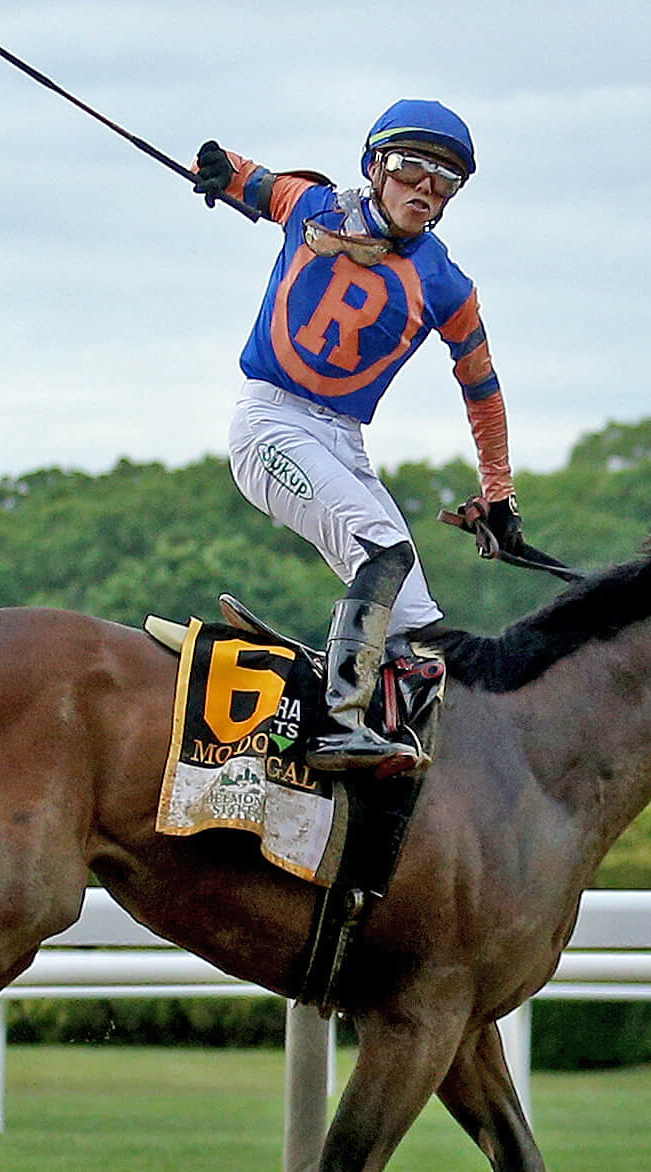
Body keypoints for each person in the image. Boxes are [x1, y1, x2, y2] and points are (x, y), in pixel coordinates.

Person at [193, 99, 534, 772]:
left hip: (342, 440)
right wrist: (214, 167)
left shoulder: (447, 284)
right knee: (381, 550)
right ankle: (334, 724)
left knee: (414, 618)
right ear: (374, 167)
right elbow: (245, 177)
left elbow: (482, 389)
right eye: (411, 169)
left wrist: (499, 494)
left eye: (444, 182)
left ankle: (396, 751)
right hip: (269, 423)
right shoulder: (311, 205)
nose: (425, 191)